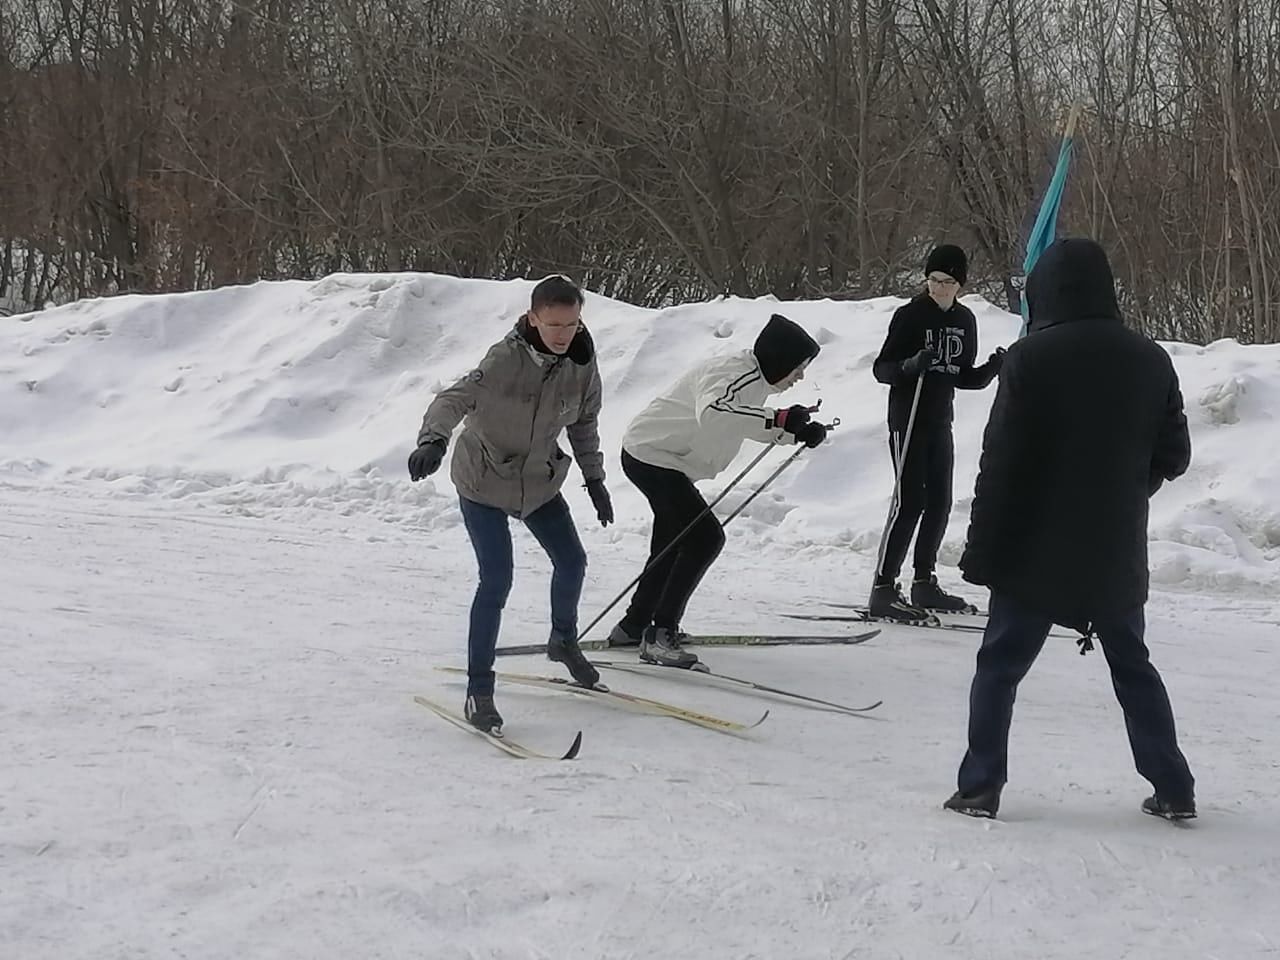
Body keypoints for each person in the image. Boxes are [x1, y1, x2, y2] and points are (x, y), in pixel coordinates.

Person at [944, 237, 1195, 821]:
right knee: (1133, 667)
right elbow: (1175, 455)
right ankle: (1175, 787)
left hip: (1034, 550)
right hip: (1115, 550)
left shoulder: (1032, 356)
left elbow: (1000, 459)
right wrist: (1130, 487)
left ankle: (980, 787)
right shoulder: (1151, 357)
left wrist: (982, 551)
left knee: (999, 668)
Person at [407, 275, 614, 736]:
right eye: (554, 325)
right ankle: (478, 690)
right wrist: (434, 441)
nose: (563, 335)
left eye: (572, 324)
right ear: (533, 318)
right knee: (497, 579)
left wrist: (594, 478)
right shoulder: (504, 360)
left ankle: (563, 639)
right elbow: (453, 399)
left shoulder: (582, 360)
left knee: (573, 562)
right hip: (483, 480)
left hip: (538, 481)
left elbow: (584, 421)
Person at [607, 313, 827, 668]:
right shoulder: (732, 372)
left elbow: (740, 419)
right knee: (704, 538)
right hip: (652, 456)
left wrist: (794, 432)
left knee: (671, 543)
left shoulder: (754, 380)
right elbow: (714, 413)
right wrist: (778, 418)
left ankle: (634, 625)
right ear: (780, 359)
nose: (800, 376)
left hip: (664, 458)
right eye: (798, 367)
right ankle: (660, 634)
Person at [870, 244, 1006, 623]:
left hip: (939, 419)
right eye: (932, 280)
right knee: (910, 500)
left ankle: (924, 580)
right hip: (907, 417)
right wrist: (911, 365)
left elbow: (964, 377)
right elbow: (882, 369)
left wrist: (994, 368)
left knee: (940, 501)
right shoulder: (910, 316)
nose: (938, 288)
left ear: (960, 284)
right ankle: (883, 586)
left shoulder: (964, 321)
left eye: (947, 282)